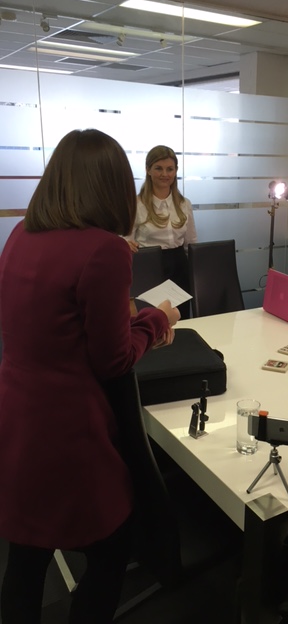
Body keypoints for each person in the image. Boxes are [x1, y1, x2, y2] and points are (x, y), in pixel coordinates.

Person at [0, 129, 180, 623]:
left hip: (17, 417)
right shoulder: (104, 250)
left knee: (27, 553)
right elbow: (113, 361)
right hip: (69, 431)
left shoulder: (20, 234)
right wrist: (156, 319)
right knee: (111, 546)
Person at [125, 145, 197, 318]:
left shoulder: (184, 204)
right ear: (148, 169)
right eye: (158, 168)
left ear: (175, 171)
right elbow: (126, 241)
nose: (165, 174)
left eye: (170, 169)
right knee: (151, 319)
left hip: (179, 267)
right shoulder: (136, 205)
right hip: (149, 268)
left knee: (180, 318)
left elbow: (191, 243)